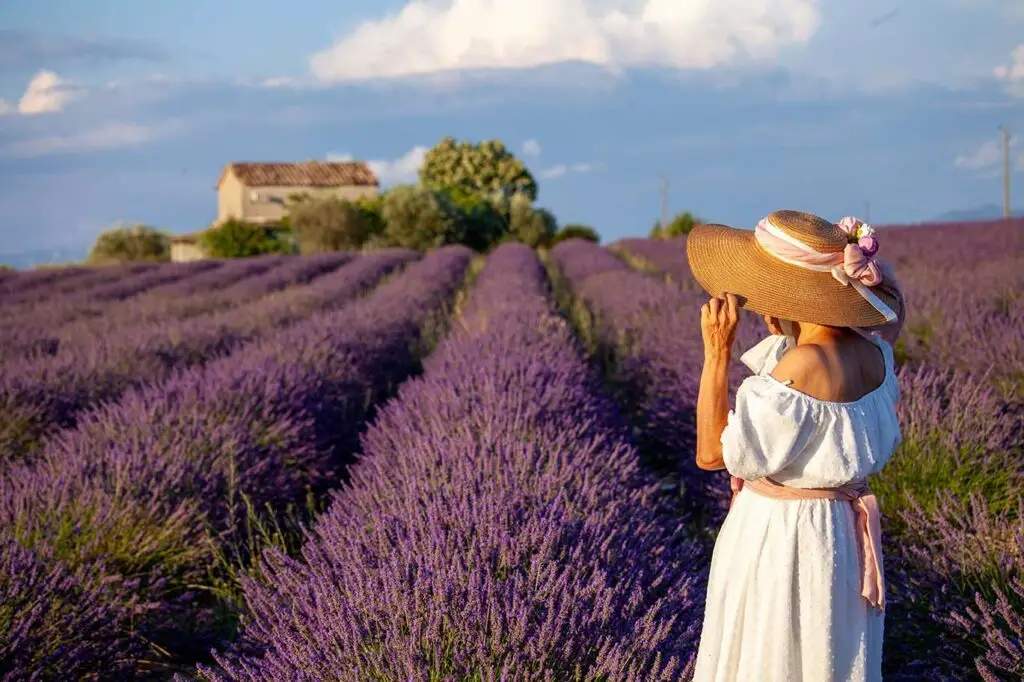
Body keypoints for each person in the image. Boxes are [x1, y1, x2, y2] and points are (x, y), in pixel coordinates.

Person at [684, 210, 907, 682]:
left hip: (782, 538)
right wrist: (786, 330)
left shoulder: (795, 371)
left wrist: (716, 352)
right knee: (828, 652)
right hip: (842, 537)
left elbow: (710, 454)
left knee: (771, 653)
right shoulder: (877, 356)